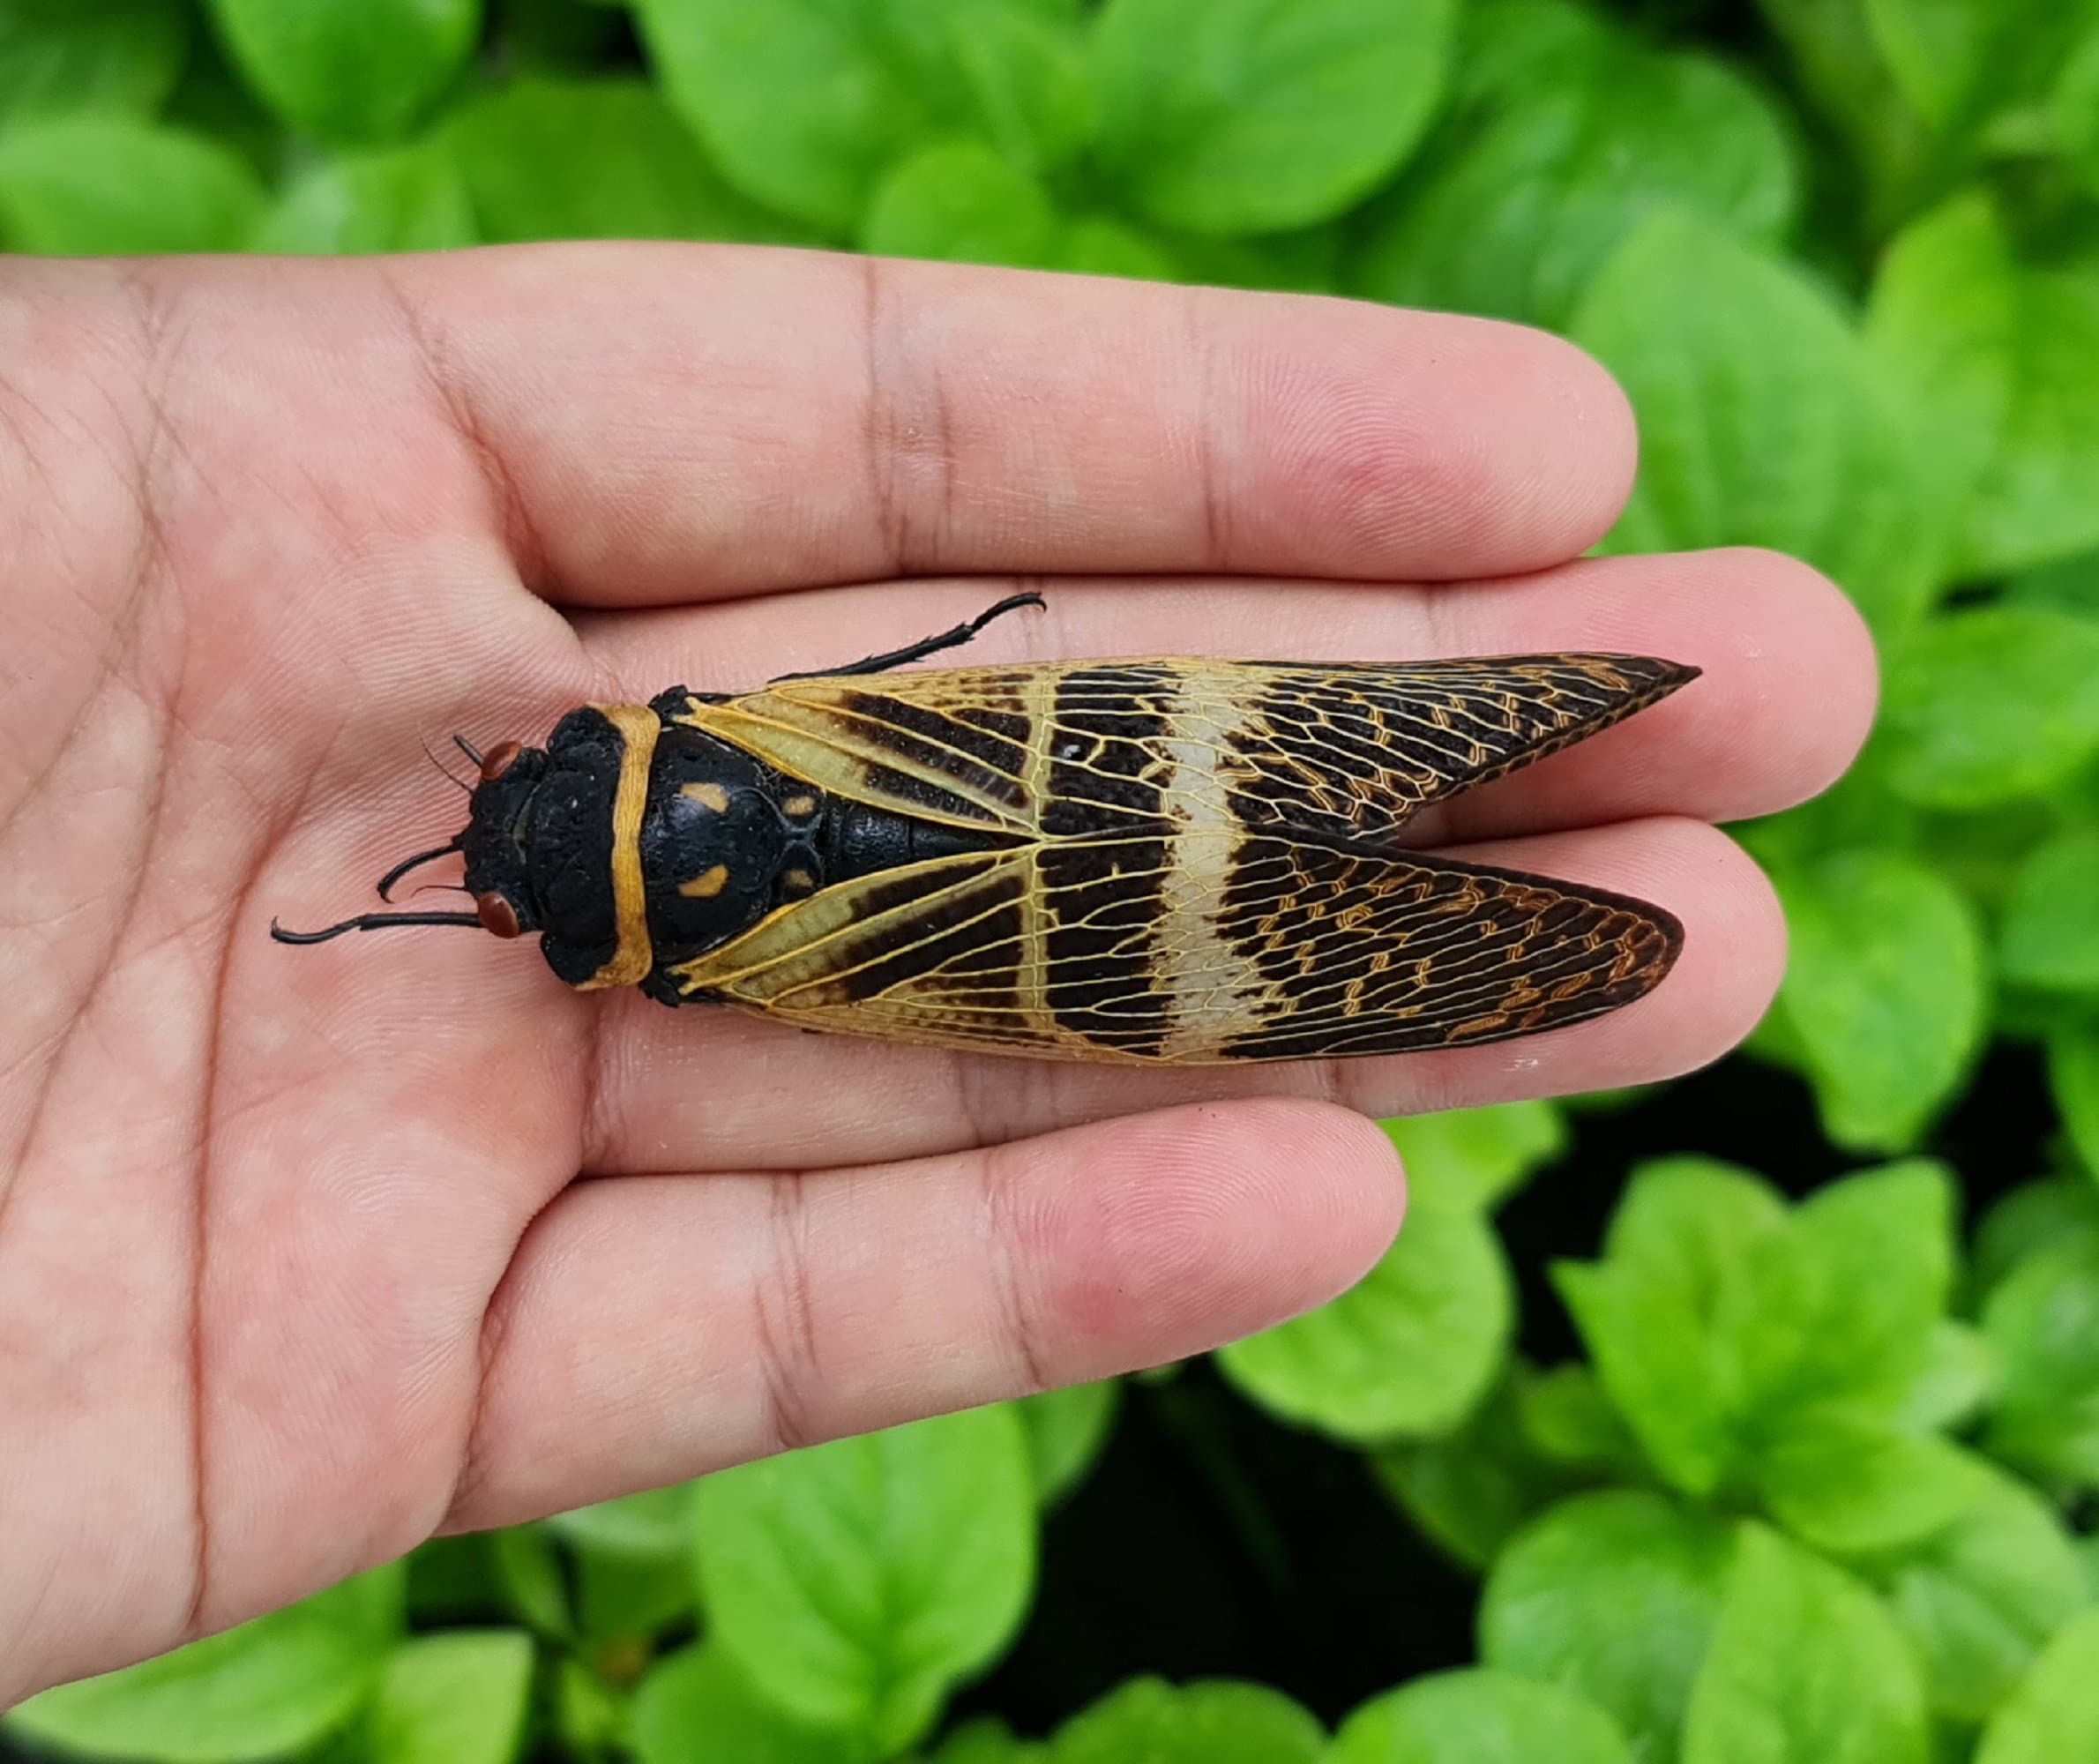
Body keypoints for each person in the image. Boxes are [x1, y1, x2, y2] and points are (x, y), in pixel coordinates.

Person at [0, 243, 1874, 1702]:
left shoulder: (694, 975)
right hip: (1053, 754)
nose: (514, 814)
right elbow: (909, 665)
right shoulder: (703, 732)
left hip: (1041, 951)